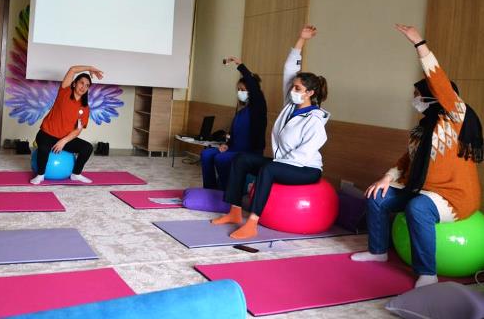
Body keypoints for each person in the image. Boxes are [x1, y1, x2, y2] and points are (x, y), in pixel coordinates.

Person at [351, 24, 482, 288]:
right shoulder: (421, 129)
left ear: (434, 98)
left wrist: (420, 44)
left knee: (417, 207)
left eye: (417, 96)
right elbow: (406, 161)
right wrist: (387, 179)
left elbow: (440, 82)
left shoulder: (455, 118)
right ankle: (378, 251)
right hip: (421, 188)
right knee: (377, 196)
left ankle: (427, 273)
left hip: (452, 196)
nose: (415, 100)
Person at [212, 25, 330, 239]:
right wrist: (301, 40)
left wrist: (275, 164)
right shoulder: (290, 106)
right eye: (293, 87)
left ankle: (252, 223)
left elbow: (302, 156)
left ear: (310, 93)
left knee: (268, 170)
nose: (292, 90)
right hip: (284, 163)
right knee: (242, 160)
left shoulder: (315, 120)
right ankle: (235, 212)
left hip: (305, 169)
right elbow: (289, 68)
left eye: (297, 89)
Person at [200, 58, 267, 190]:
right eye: (238, 90)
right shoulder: (241, 111)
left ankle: (227, 191)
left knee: (221, 159)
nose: (239, 93)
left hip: (250, 153)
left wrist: (240, 64)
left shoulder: (258, 108)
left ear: (251, 91)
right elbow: (233, 135)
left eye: (242, 90)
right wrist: (226, 145)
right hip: (234, 149)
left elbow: (253, 85)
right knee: (206, 154)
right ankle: (210, 189)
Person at [30, 66, 103, 184]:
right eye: (81, 83)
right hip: (46, 134)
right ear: (74, 84)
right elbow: (73, 69)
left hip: (64, 138)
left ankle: (76, 174)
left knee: (87, 148)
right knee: (44, 148)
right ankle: (40, 175)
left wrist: (63, 141)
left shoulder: (85, 108)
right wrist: (90, 68)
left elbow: (78, 130)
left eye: (87, 85)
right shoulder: (64, 92)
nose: (83, 87)